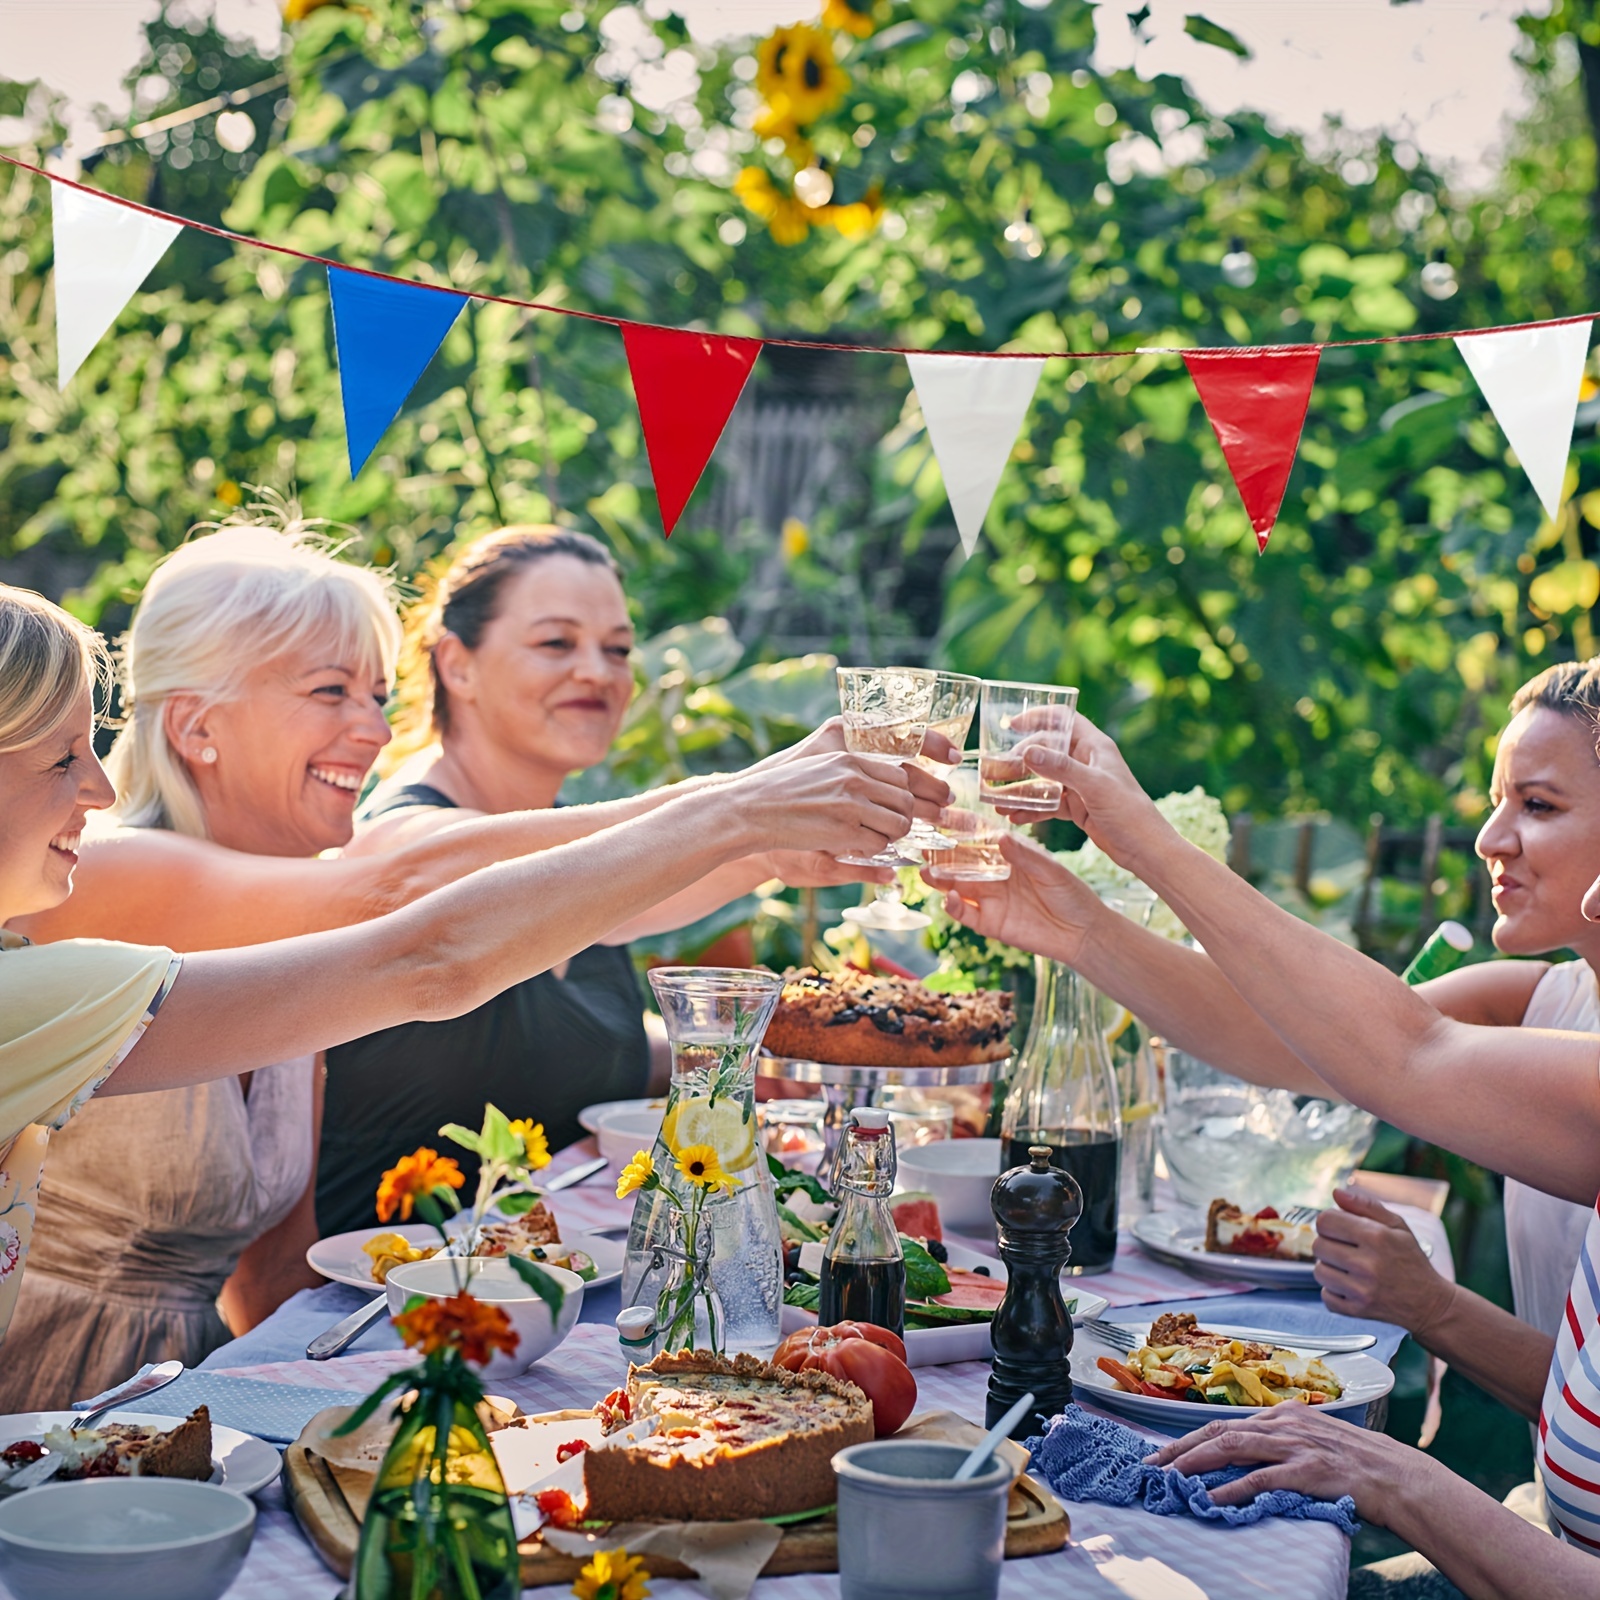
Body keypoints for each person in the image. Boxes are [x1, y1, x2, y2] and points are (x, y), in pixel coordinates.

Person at [0, 580, 938, 1367]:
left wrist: (764, 842)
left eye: (377, 694)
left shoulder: (281, 925)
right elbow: (416, 927)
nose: (374, 731)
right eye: (332, 692)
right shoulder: (105, 878)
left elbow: (276, 1280)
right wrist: (744, 809)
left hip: (171, 1394)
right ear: (198, 725)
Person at [925, 709, 1600, 1596]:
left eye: (1541, 803)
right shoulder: (1545, 998)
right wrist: (1081, 928)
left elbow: (1403, 1053)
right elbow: (1315, 1041)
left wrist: (1148, 844)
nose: (1488, 838)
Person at [318, 527, 862, 1232]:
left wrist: (808, 1053)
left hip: (552, 1293)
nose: (598, 673)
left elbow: (573, 1041)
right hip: (375, 1306)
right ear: (457, 664)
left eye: (617, 649)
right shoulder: (398, 834)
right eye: (556, 643)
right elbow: (450, 879)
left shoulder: (597, 847)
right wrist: (755, 804)